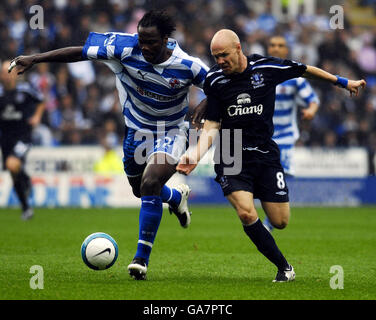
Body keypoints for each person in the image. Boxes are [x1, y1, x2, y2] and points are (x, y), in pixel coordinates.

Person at [9, 10, 209, 280]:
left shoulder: (188, 65)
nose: (145, 47)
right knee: (141, 190)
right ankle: (175, 197)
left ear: (165, 40)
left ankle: (141, 259)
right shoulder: (124, 48)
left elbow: (219, 85)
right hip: (136, 130)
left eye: (151, 42)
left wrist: (208, 101)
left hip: (171, 130)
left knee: (151, 183)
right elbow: (80, 52)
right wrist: (36, 58)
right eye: (141, 41)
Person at [177, 29, 366, 282]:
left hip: (265, 152)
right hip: (230, 151)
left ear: (238, 48)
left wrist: (342, 82)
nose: (220, 61)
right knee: (246, 213)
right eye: (215, 57)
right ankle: (284, 267)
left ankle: (273, 233)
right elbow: (212, 125)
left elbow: (305, 69)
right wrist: (195, 154)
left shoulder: (266, 67)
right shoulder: (214, 80)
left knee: (280, 221)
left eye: (224, 55)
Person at [263, 35, 320, 232]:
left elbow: (312, 99)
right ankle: (268, 215)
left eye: (280, 45)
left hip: (286, 136)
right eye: (272, 45)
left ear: (286, 50)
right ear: (268, 48)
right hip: (263, 136)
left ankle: (269, 222)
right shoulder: (260, 74)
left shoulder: (295, 78)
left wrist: (311, 111)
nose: (276, 48)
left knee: (282, 174)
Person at [0, 60, 45, 220]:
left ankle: (25, 179)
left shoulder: (25, 91)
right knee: (13, 172)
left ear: (15, 73)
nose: (7, 76)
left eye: (9, 72)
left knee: (12, 164)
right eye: (4, 72)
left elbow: (41, 100)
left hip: (23, 137)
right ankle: (26, 207)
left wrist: (37, 116)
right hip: (5, 139)